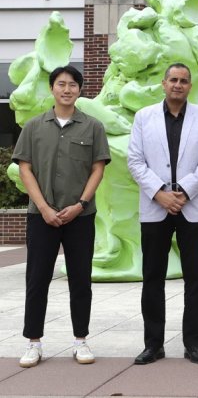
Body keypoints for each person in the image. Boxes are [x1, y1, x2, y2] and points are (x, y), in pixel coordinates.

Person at [12, 65, 110, 368]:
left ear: (80, 90)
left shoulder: (93, 126)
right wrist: (43, 207)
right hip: (41, 215)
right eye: (61, 84)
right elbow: (25, 168)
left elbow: (98, 168)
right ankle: (34, 342)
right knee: (37, 279)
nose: (67, 89)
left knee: (81, 279)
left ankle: (81, 340)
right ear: (52, 88)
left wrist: (80, 204)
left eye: (72, 85)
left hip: (79, 216)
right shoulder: (33, 126)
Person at [127, 63, 198, 365]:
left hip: (192, 207)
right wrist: (160, 193)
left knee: (195, 279)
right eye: (173, 80)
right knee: (152, 276)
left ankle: (194, 343)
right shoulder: (144, 118)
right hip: (155, 206)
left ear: (190, 86)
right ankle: (153, 344)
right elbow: (135, 161)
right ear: (164, 84)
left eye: (184, 81)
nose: (178, 85)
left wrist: (184, 192)